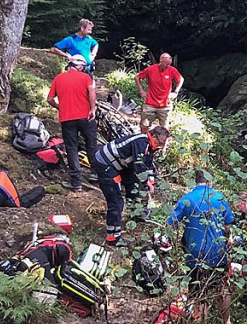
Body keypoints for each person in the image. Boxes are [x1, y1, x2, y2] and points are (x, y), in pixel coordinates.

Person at [167, 168, 235, 324]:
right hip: (217, 252)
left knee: (197, 291)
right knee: (221, 287)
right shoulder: (219, 197)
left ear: (195, 180)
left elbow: (170, 224)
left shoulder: (187, 199)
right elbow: (229, 223)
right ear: (210, 181)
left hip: (194, 253)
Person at [94, 122, 169, 246]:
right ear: (154, 136)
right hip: (106, 164)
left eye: (163, 143)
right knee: (116, 201)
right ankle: (113, 237)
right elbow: (138, 166)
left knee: (133, 185)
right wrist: (147, 183)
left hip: (122, 164)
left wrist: (150, 181)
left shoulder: (150, 146)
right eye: (160, 142)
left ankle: (137, 213)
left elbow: (148, 164)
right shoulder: (141, 142)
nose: (160, 146)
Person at [46, 54, 97, 191]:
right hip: (86, 116)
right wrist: (93, 109)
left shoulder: (58, 78)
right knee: (91, 144)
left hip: (67, 118)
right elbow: (92, 91)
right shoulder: (86, 78)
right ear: (79, 66)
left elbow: (50, 99)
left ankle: (76, 182)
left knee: (72, 148)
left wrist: (60, 107)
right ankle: (95, 174)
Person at [136, 53, 184, 130]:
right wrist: (141, 90)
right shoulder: (151, 69)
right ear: (161, 62)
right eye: (166, 64)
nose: (167, 66)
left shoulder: (172, 70)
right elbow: (137, 77)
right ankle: (144, 140)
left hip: (165, 105)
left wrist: (176, 92)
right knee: (144, 126)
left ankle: (162, 142)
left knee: (164, 129)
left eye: (169, 64)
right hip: (150, 104)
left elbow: (181, 79)